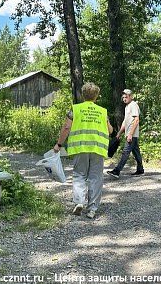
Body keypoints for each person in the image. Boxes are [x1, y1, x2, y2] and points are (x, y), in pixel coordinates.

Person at [54, 82, 113, 219]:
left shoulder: (75, 109)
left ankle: (79, 202)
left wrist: (59, 144)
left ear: (82, 94)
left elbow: (66, 128)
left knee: (79, 175)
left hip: (80, 147)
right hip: (98, 148)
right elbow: (110, 130)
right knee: (95, 178)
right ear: (96, 96)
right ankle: (92, 209)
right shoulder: (102, 111)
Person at [106, 89, 144, 178]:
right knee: (136, 152)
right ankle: (140, 169)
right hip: (129, 133)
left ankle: (117, 171)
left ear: (131, 96)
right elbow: (125, 122)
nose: (124, 99)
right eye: (123, 97)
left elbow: (136, 120)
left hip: (132, 134)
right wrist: (119, 133)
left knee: (125, 152)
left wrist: (130, 134)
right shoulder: (127, 107)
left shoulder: (133, 105)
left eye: (126, 97)